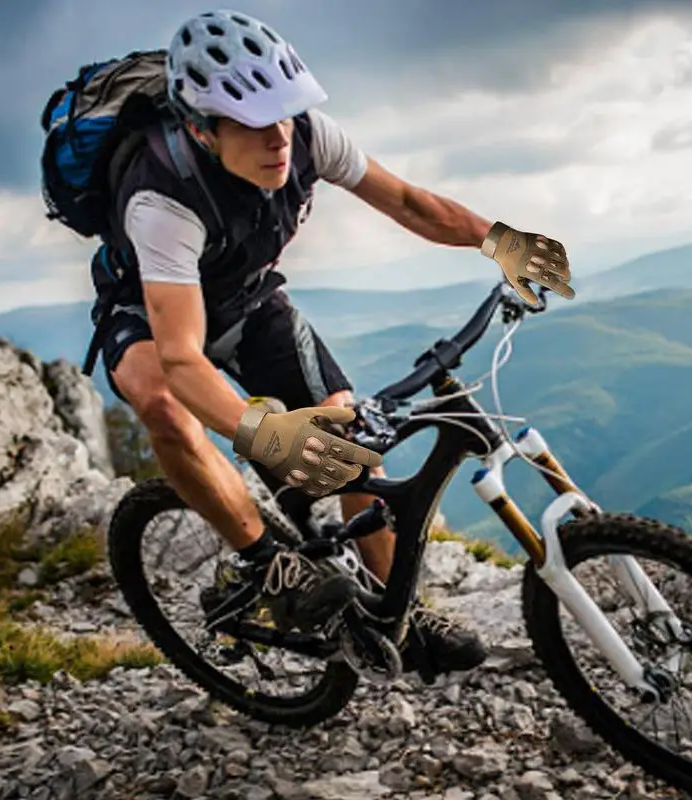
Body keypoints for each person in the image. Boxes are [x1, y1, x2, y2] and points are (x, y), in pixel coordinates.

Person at [88, 9, 574, 677]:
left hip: (247, 300)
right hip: (150, 311)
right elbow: (180, 357)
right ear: (203, 128)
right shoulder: (162, 199)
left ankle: (397, 614)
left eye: (285, 114)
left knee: (350, 436)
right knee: (163, 405)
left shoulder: (309, 135)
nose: (279, 137)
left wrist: (503, 242)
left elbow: (408, 202)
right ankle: (267, 564)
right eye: (254, 123)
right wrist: (268, 434)